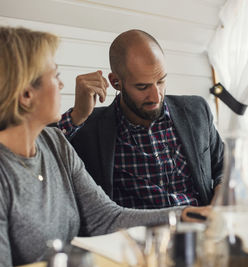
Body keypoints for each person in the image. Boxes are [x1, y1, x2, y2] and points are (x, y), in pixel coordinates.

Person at [0, 26, 208, 266]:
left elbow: (106, 217)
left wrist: (185, 214)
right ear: (26, 95)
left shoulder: (54, 142)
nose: (61, 85)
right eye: (55, 75)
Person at [57, 29, 224, 209]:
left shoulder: (196, 110)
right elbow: (39, 156)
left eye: (160, 81)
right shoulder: (89, 128)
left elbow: (225, 165)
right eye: (142, 87)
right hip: (135, 232)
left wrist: (219, 201)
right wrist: (77, 115)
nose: (156, 96)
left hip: (200, 227)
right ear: (115, 82)